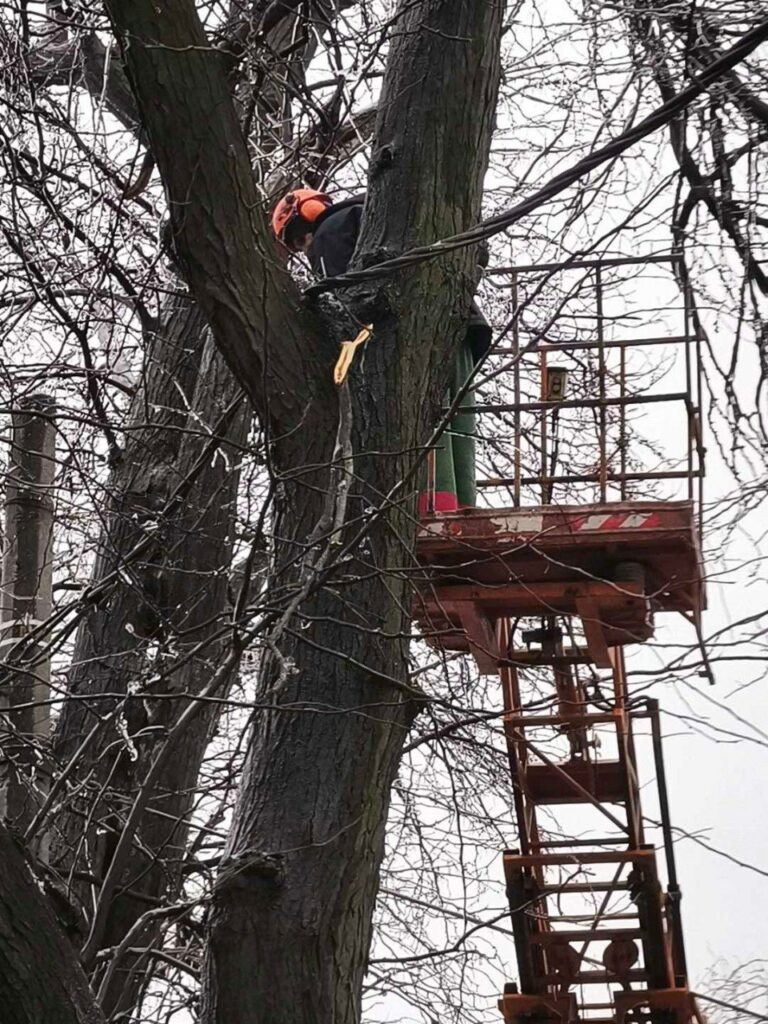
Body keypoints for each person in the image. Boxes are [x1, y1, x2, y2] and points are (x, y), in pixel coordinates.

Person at [271, 189, 492, 513]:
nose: (303, 248)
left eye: (298, 239)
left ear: (306, 219)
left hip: (411, 336)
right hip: (460, 324)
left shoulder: (328, 234)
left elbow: (345, 303)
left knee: (425, 422)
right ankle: (463, 507)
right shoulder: (385, 209)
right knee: (458, 421)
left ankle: (434, 510)